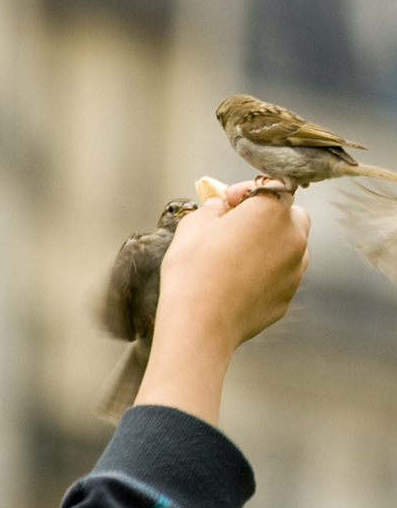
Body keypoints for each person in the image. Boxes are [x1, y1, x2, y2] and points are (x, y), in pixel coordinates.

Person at [61, 181, 311, 508]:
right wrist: (204, 318)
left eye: (186, 207)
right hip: (149, 340)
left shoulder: (204, 246)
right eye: (172, 209)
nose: (182, 212)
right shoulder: (143, 247)